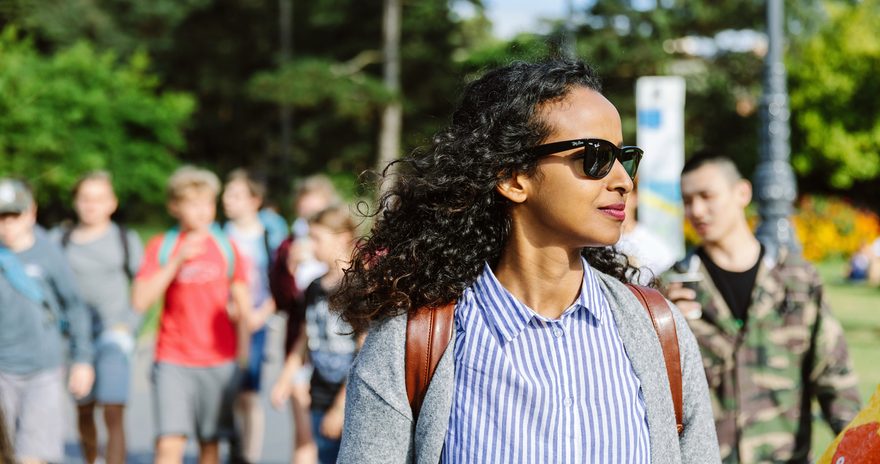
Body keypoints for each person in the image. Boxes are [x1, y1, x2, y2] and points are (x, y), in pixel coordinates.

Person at [333, 59, 719, 463]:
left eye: (624, 157)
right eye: (595, 157)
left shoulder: (659, 331)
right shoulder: (412, 342)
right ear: (514, 178)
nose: (623, 179)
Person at [663, 152, 862, 463]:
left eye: (707, 196)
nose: (696, 210)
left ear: (742, 193)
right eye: (688, 200)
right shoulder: (670, 290)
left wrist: (854, 451)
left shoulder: (797, 279)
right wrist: (665, 328)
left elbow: (834, 380)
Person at [131, 166, 253, 464]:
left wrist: (243, 357)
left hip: (218, 361)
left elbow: (243, 306)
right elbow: (140, 301)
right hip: (172, 359)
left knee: (209, 446)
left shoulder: (227, 247)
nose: (202, 211)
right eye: (193, 203)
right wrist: (176, 261)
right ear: (174, 206)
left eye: (208, 203)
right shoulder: (162, 246)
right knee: (169, 442)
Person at [0, 178, 95, 464]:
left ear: (31, 213)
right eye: (0, 218)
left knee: (32, 456)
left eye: (13, 216)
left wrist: (83, 360)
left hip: (43, 369)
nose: (7, 225)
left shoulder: (49, 253)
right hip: (2, 369)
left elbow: (76, 308)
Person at [51, 171, 143, 464]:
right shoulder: (59, 240)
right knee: (84, 409)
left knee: (113, 409)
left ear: (112, 203)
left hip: (113, 335)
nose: (92, 206)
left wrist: (127, 327)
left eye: (99, 199)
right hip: (75, 339)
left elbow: (142, 289)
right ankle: (91, 458)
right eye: (85, 199)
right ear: (76, 203)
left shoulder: (125, 239)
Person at [271, 205, 362, 464]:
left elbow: (364, 352)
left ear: (343, 237)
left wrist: (339, 407)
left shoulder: (359, 287)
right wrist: (285, 378)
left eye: (317, 238)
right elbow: (304, 337)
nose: (311, 246)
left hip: (348, 400)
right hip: (319, 394)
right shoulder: (314, 287)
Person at [268, 175, 340, 464]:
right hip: (305, 346)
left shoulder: (350, 260)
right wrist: (289, 268)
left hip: (339, 359)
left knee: (332, 439)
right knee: (306, 434)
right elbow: (283, 301)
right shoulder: (288, 246)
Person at [222, 169, 286, 463]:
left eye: (236, 195)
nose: (227, 200)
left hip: (257, 323)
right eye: (227, 194)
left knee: (249, 391)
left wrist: (263, 313)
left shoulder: (270, 235)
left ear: (254, 200)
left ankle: (249, 454)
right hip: (226, 323)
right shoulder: (221, 235)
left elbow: (283, 283)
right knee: (230, 391)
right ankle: (235, 441)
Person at [617, 184, 678, 284]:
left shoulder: (657, 247)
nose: (615, 198)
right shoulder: (595, 244)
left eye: (621, 191)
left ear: (636, 196)